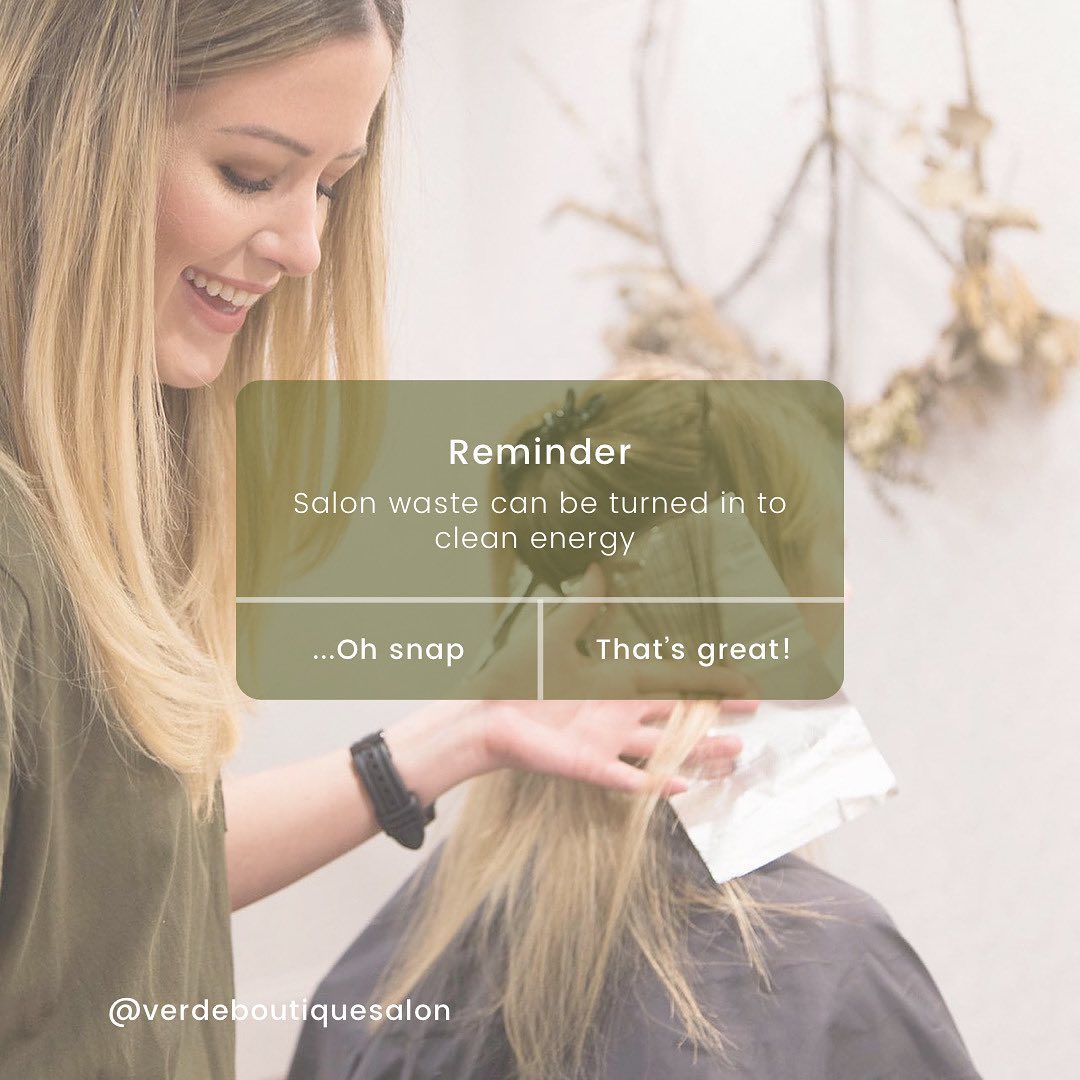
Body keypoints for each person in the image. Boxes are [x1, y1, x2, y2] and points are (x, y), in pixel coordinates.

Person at [0, 5, 750, 1078]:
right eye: (252, 174)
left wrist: (462, 735)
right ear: (63, 133)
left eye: (330, 186)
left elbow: (108, 887)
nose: (307, 248)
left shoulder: (83, 513)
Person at [289, 377, 984, 1079]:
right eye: (814, 555)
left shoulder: (379, 982)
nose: (843, 595)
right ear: (741, 605)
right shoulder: (833, 973)